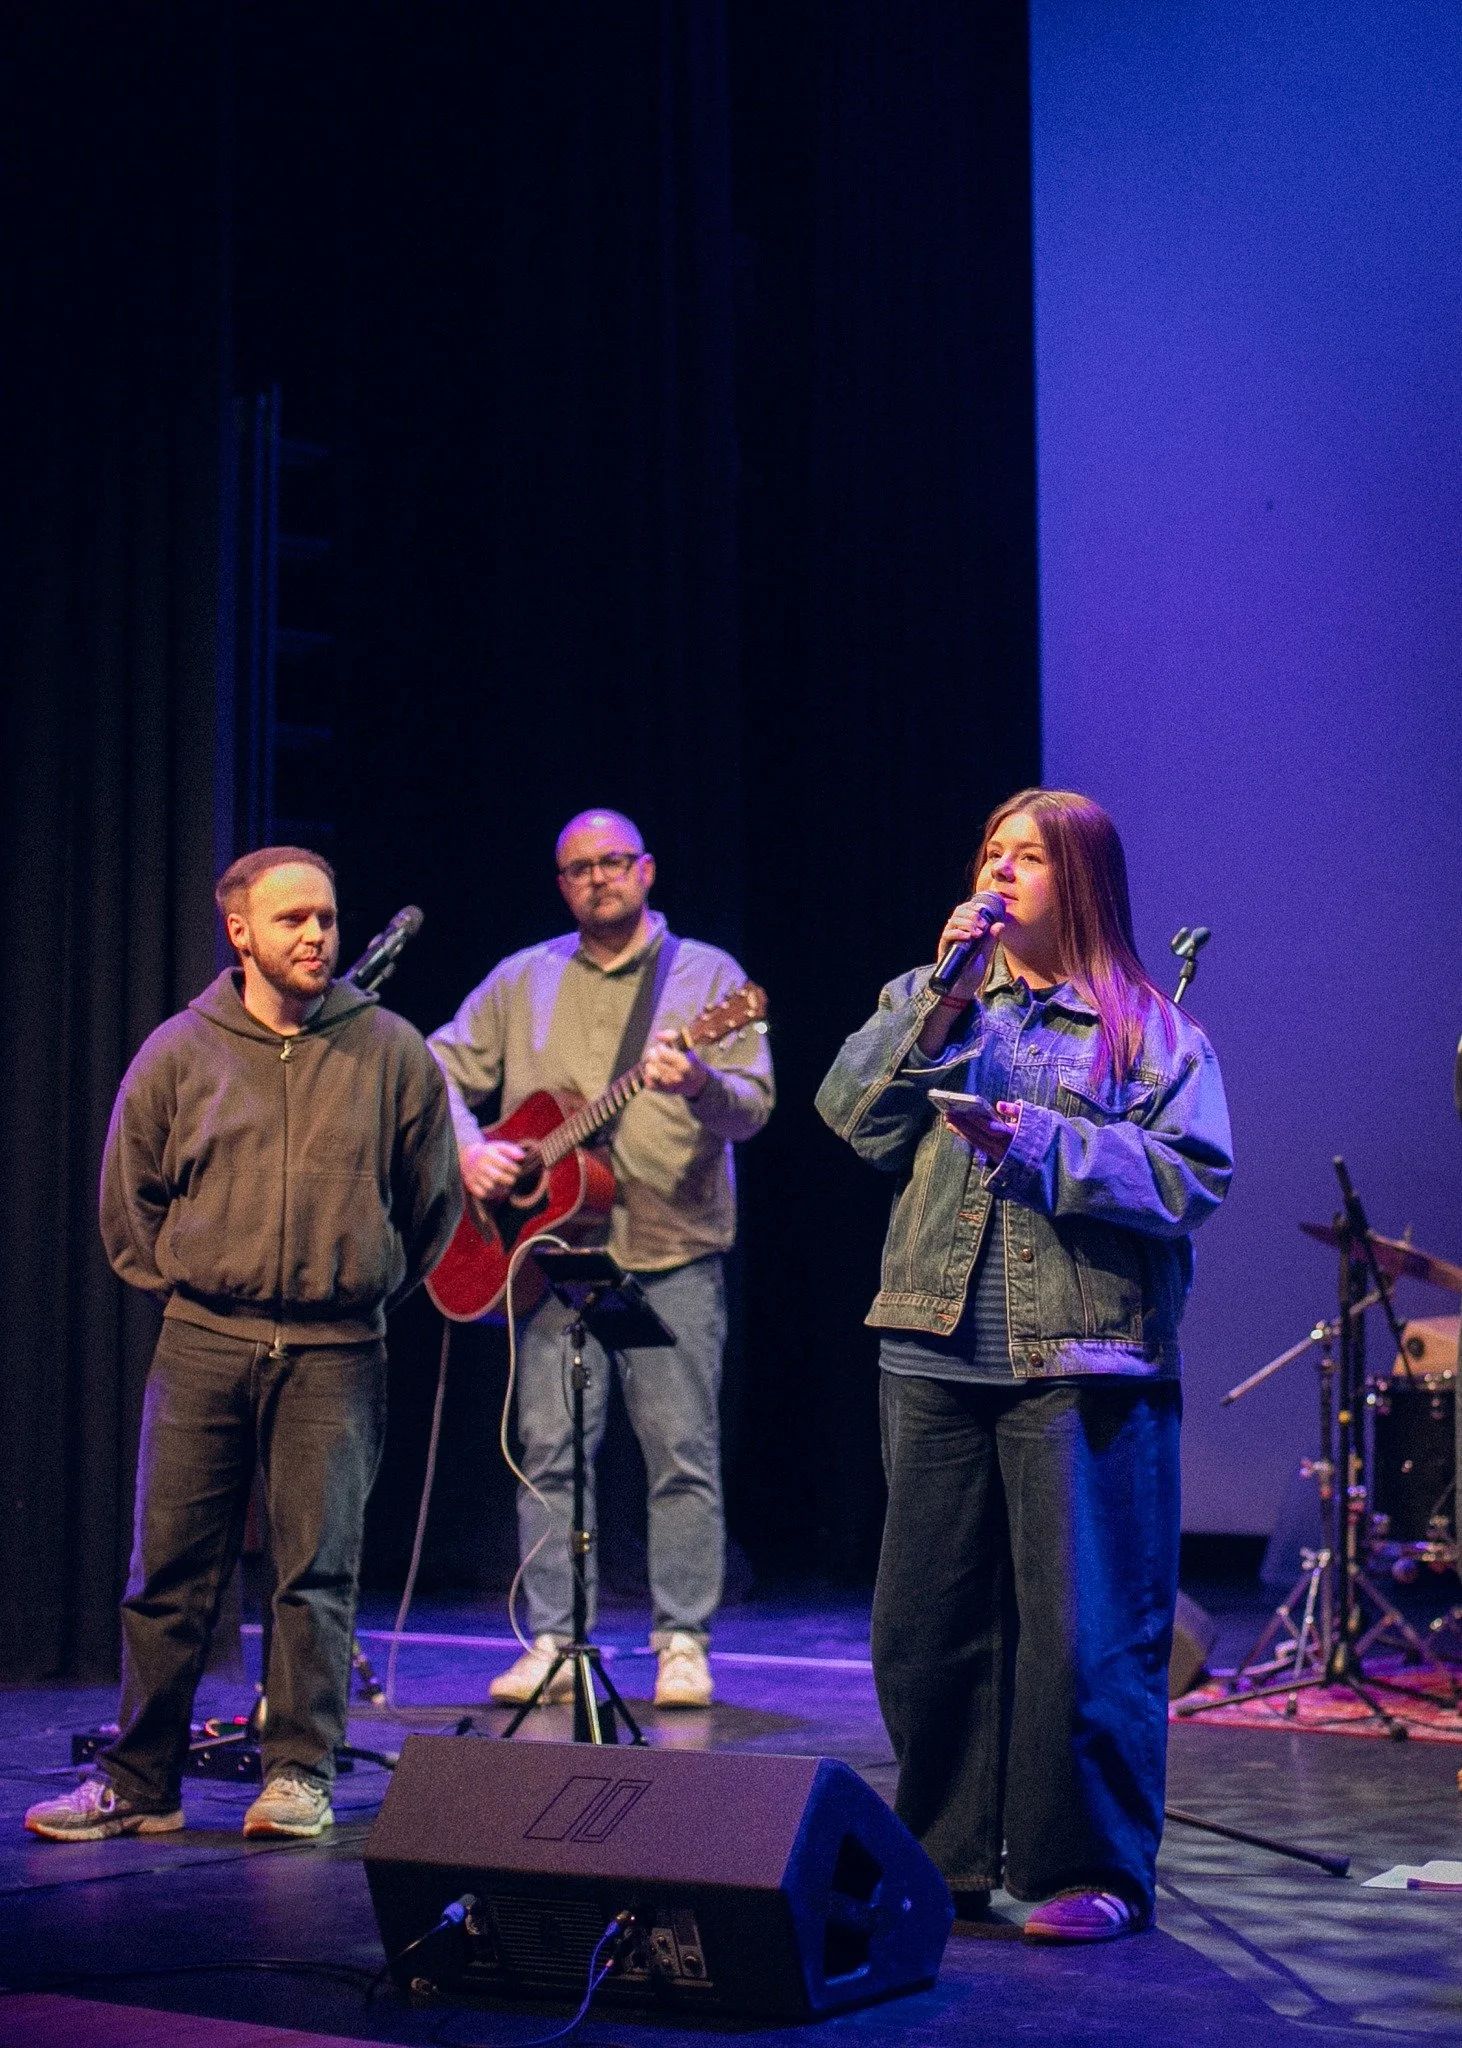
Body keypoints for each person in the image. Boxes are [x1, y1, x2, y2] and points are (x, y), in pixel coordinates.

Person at [815, 790, 1232, 1942]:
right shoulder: (933, 996)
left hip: (1083, 1358)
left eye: (1028, 857)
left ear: (1082, 880)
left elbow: (1192, 1177)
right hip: (932, 1345)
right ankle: (936, 1858)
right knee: (924, 1623)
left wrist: (1044, 1142)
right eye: (990, 851)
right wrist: (943, 996)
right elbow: (852, 1117)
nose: (1001, 873)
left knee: (1082, 1630)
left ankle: (1085, 1867)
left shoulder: (1147, 1029)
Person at [25, 848, 461, 1844]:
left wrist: (354, 1283)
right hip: (205, 1340)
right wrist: (201, 1278)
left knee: (316, 1571)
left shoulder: (389, 1049)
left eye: (327, 917)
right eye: (294, 919)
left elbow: (433, 1202)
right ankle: (140, 1781)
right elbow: (127, 1193)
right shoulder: (182, 1049)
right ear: (242, 931)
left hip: (337, 1349)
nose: (316, 934)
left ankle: (298, 1773)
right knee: (168, 1571)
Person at [429, 809, 773, 1709]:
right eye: (579, 868)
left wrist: (697, 1080)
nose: (598, 879)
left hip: (671, 1252)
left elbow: (752, 1111)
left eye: (613, 862)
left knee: (680, 1454)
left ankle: (682, 1642)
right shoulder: (521, 977)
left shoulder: (710, 981)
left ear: (648, 870)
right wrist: (470, 1150)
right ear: (561, 884)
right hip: (552, 1263)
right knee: (547, 1452)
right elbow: (434, 1069)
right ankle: (549, 1638)